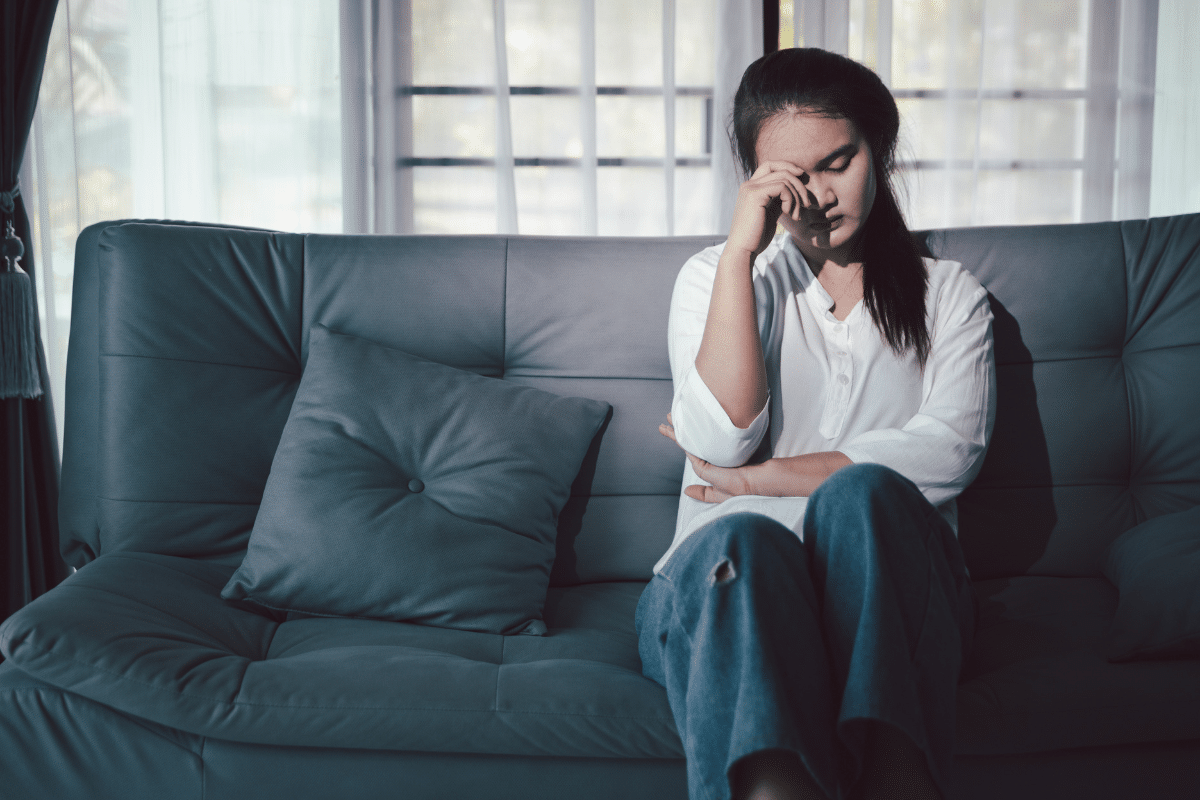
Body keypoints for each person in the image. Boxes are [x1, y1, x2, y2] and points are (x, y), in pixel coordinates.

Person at [637, 48, 996, 800]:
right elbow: (719, 439)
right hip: (725, 591)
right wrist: (742, 252)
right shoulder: (717, 277)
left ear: (880, 149)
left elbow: (946, 452)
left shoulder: (949, 295)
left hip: (888, 602)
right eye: (789, 179)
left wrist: (757, 480)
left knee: (863, 500)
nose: (818, 197)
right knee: (742, 540)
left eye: (839, 162)